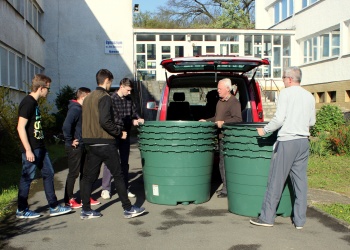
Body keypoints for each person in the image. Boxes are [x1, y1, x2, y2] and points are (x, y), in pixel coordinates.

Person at [250, 66, 316, 229]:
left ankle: (266, 218)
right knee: (301, 183)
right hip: (303, 142)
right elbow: (312, 122)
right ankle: (300, 221)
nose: (283, 81)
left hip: (287, 142)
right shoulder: (309, 96)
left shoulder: (285, 94)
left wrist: (264, 130)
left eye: (283, 78)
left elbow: (279, 119)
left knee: (275, 181)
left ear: (289, 79)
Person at [80, 69, 145, 219]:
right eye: (110, 81)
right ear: (107, 80)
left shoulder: (88, 98)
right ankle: (128, 208)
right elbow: (105, 121)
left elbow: (88, 120)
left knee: (89, 177)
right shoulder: (105, 97)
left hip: (90, 142)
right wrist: (118, 132)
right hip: (104, 142)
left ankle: (86, 210)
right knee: (119, 174)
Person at [16, 74, 72, 218]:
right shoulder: (27, 103)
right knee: (27, 177)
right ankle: (21, 210)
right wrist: (28, 150)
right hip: (32, 149)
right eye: (48, 88)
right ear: (41, 88)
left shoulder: (34, 103)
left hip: (40, 147)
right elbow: (20, 127)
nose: (48, 92)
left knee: (49, 173)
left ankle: (54, 207)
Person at [101, 78, 144, 200]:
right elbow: (114, 117)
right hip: (114, 134)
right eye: (128, 90)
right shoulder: (111, 99)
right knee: (110, 161)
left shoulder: (129, 99)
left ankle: (125, 187)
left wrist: (138, 118)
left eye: (130, 90)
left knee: (124, 162)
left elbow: (134, 112)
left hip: (126, 134)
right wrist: (131, 121)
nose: (129, 93)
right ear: (121, 86)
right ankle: (106, 188)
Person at [200, 78, 242, 198]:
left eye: (220, 88)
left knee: (226, 164)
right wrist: (206, 121)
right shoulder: (220, 102)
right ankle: (225, 188)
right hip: (220, 137)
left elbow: (238, 119)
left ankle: (227, 190)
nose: (217, 90)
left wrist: (223, 122)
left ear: (228, 89)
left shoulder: (234, 102)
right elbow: (216, 118)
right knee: (222, 164)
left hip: (229, 138)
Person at [62, 87, 101, 209]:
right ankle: (69, 199)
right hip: (75, 147)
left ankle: (85, 196)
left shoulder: (81, 109)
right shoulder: (75, 109)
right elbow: (66, 126)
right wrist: (69, 141)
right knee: (73, 174)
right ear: (83, 97)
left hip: (83, 145)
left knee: (85, 173)